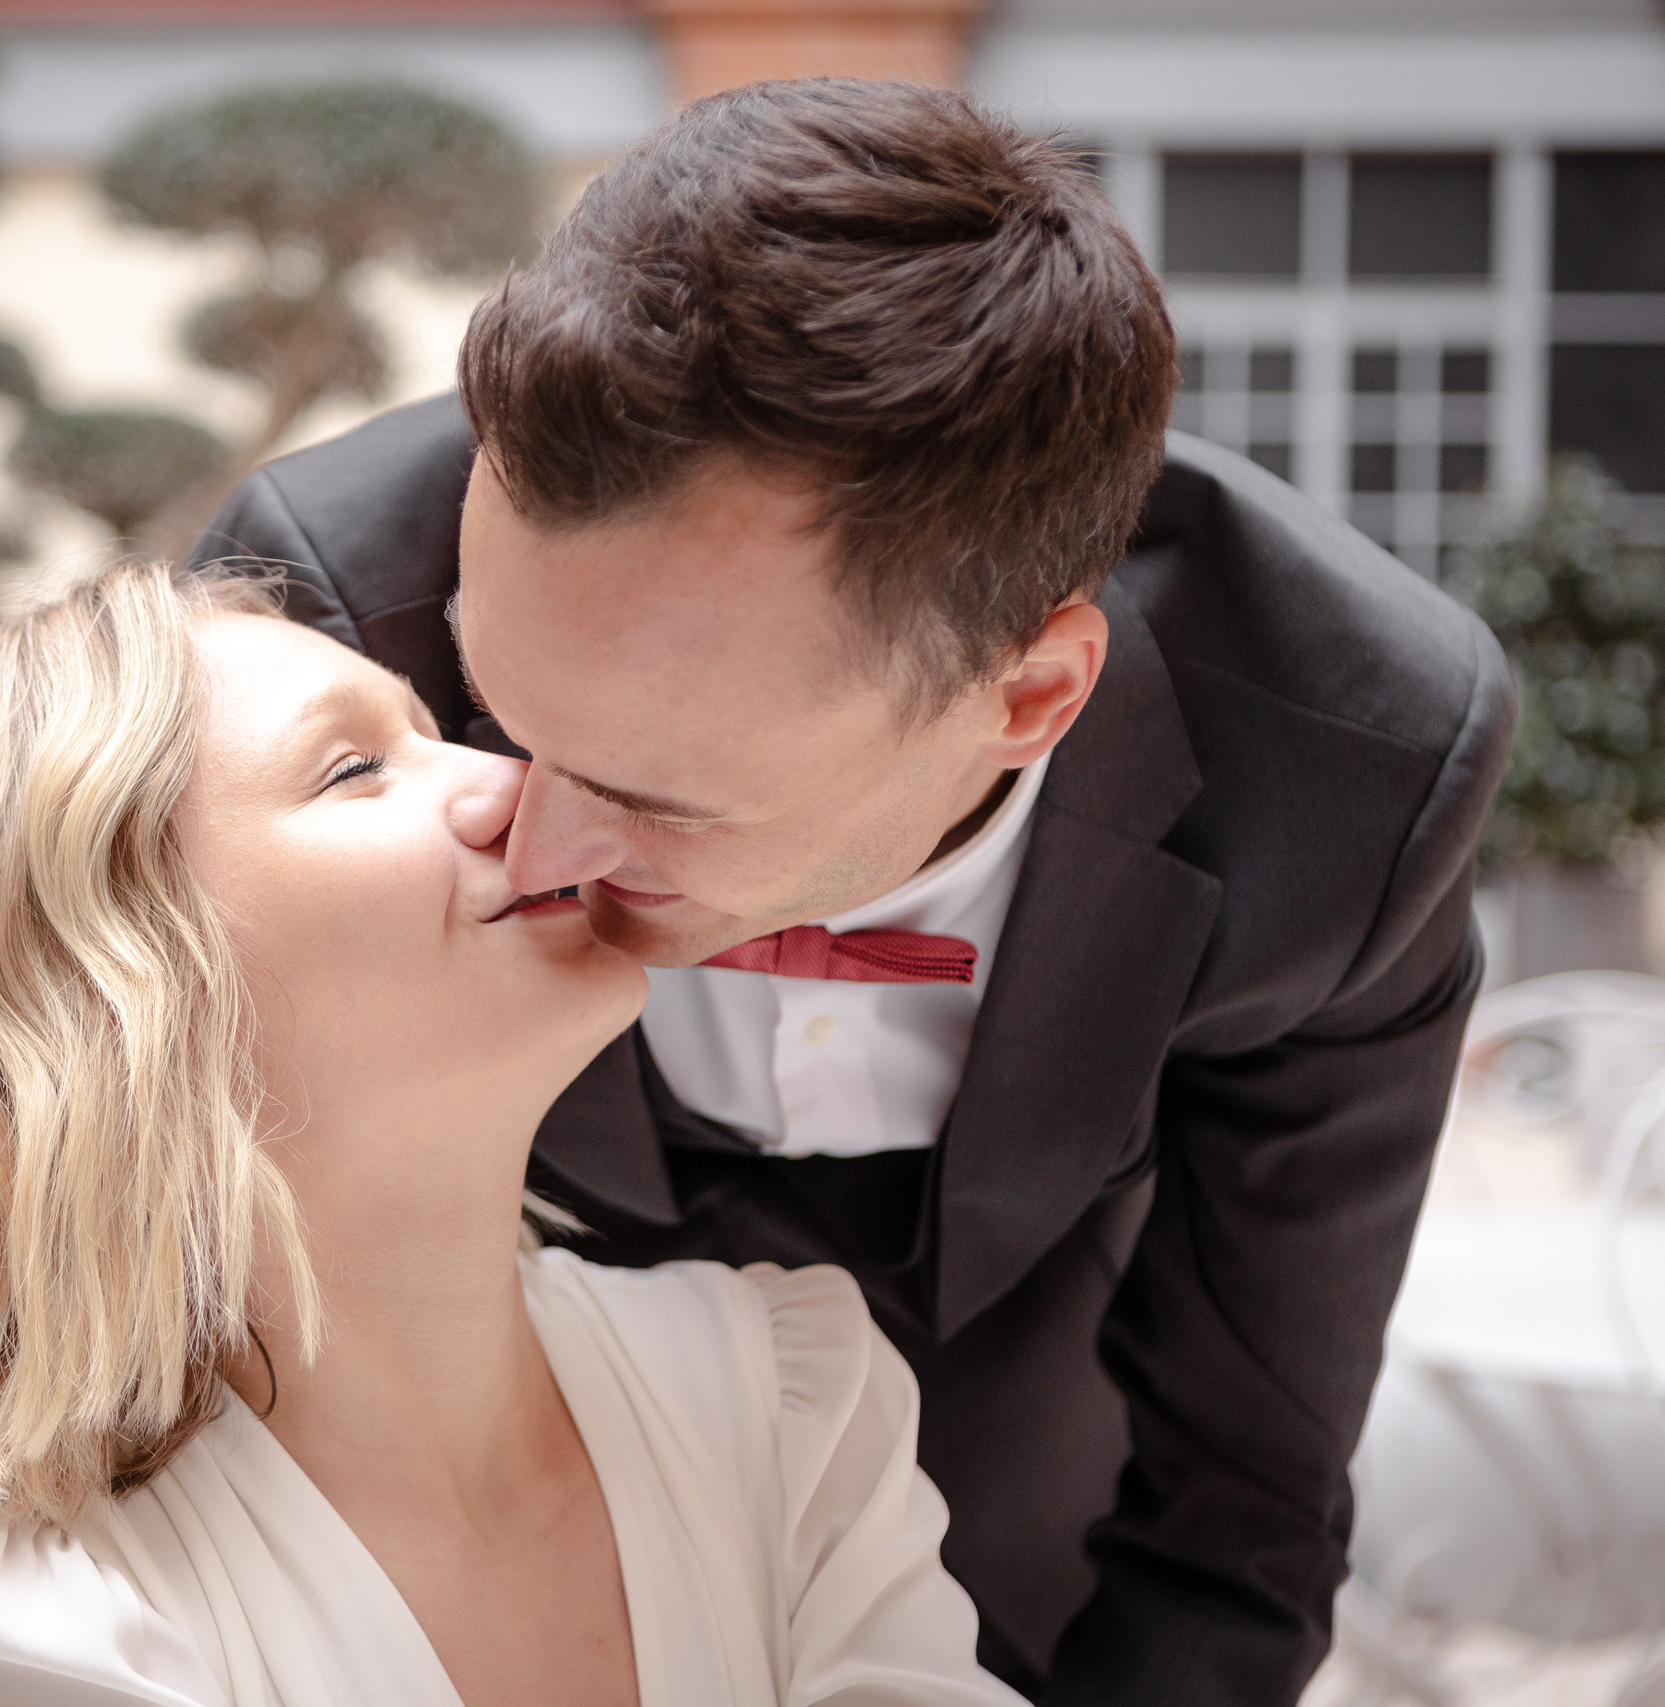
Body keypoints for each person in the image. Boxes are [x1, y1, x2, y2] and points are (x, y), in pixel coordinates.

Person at [188, 79, 1517, 1706]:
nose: (530, 835)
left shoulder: (1354, 764)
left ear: (1029, 697)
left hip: (1018, 1475)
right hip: (449, 1504)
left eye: (650, 793)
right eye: (504, 717)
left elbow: (1241, 1508)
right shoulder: (315, 608)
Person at [0, 562, 1023, 1707]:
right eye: (355, 768)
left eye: (441, 731)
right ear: (113, 1003)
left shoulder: (791, 1400)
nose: (522, 784)